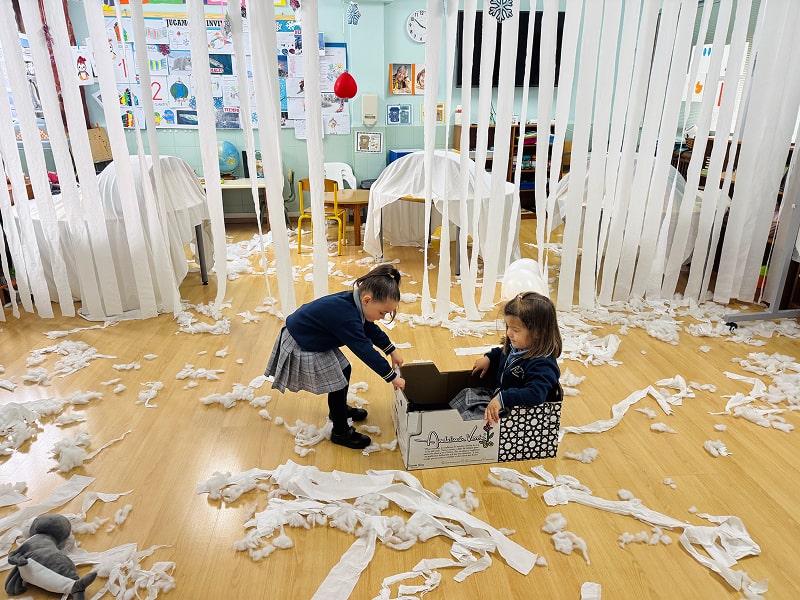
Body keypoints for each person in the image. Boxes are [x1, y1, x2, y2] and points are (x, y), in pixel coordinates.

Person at [265, 264, 406, 449]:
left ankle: (338, 410)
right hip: (302, 342)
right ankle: (340, 432)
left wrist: (391, 350)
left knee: (343, 370)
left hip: (313, 337)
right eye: (382, 312)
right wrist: (392, 377)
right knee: (338, 381)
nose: (383, 317)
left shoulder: (355, 301)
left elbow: (369, 328)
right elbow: (364, 349)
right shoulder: (346, 316)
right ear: (367, 300)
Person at [453, 292, 561, 425]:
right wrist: (489, 359)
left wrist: (503, 398)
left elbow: (536, 394)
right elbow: (502, 352)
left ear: (537, 333)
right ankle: (450, 422)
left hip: (514, 414)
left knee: (475, 419)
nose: (509, 333)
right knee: (466, 394)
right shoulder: (517, 346)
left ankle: (461, 432)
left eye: (515, 330)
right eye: (508, 327)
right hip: (497, 395)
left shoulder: (542, 364)